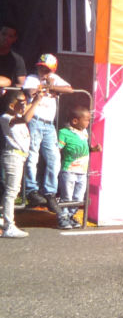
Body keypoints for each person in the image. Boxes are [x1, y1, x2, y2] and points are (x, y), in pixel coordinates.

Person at [22, 54, 73, 212]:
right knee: (32, 156)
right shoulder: (32, 78)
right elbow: (29, 92)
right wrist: (45, 86)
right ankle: (31, 190)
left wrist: (51, 87)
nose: (42, 71)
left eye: (46, 69)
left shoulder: (54, 78)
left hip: (49, 124)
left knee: (54, 158)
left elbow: (69, 89)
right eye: (40, 67)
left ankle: (50, 192)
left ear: (52, 70)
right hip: (35, 120)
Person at [1, 87, 42, 238]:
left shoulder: (16, 113)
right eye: (21, 102)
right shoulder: (6, 117)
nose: (25, 105)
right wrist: (36, 102)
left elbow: (25, 112)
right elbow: (25, 118)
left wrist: (35, 99)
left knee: (12, 190)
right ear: (12, 105)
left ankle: (5, 220)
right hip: (13, 157)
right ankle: (9, 226)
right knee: (11, 192)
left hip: (19, 157)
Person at [56, 105, 97, 229]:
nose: (88, 122)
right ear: (75, 121)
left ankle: (71, 216)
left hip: (82, 171)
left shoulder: (84, 133)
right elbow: (57, 149)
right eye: (86, 120)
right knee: (67, 196)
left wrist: (94, 149)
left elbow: (84, 148)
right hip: (69, 170)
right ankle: (63, 217)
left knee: (78, 196)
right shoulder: (64, 132)